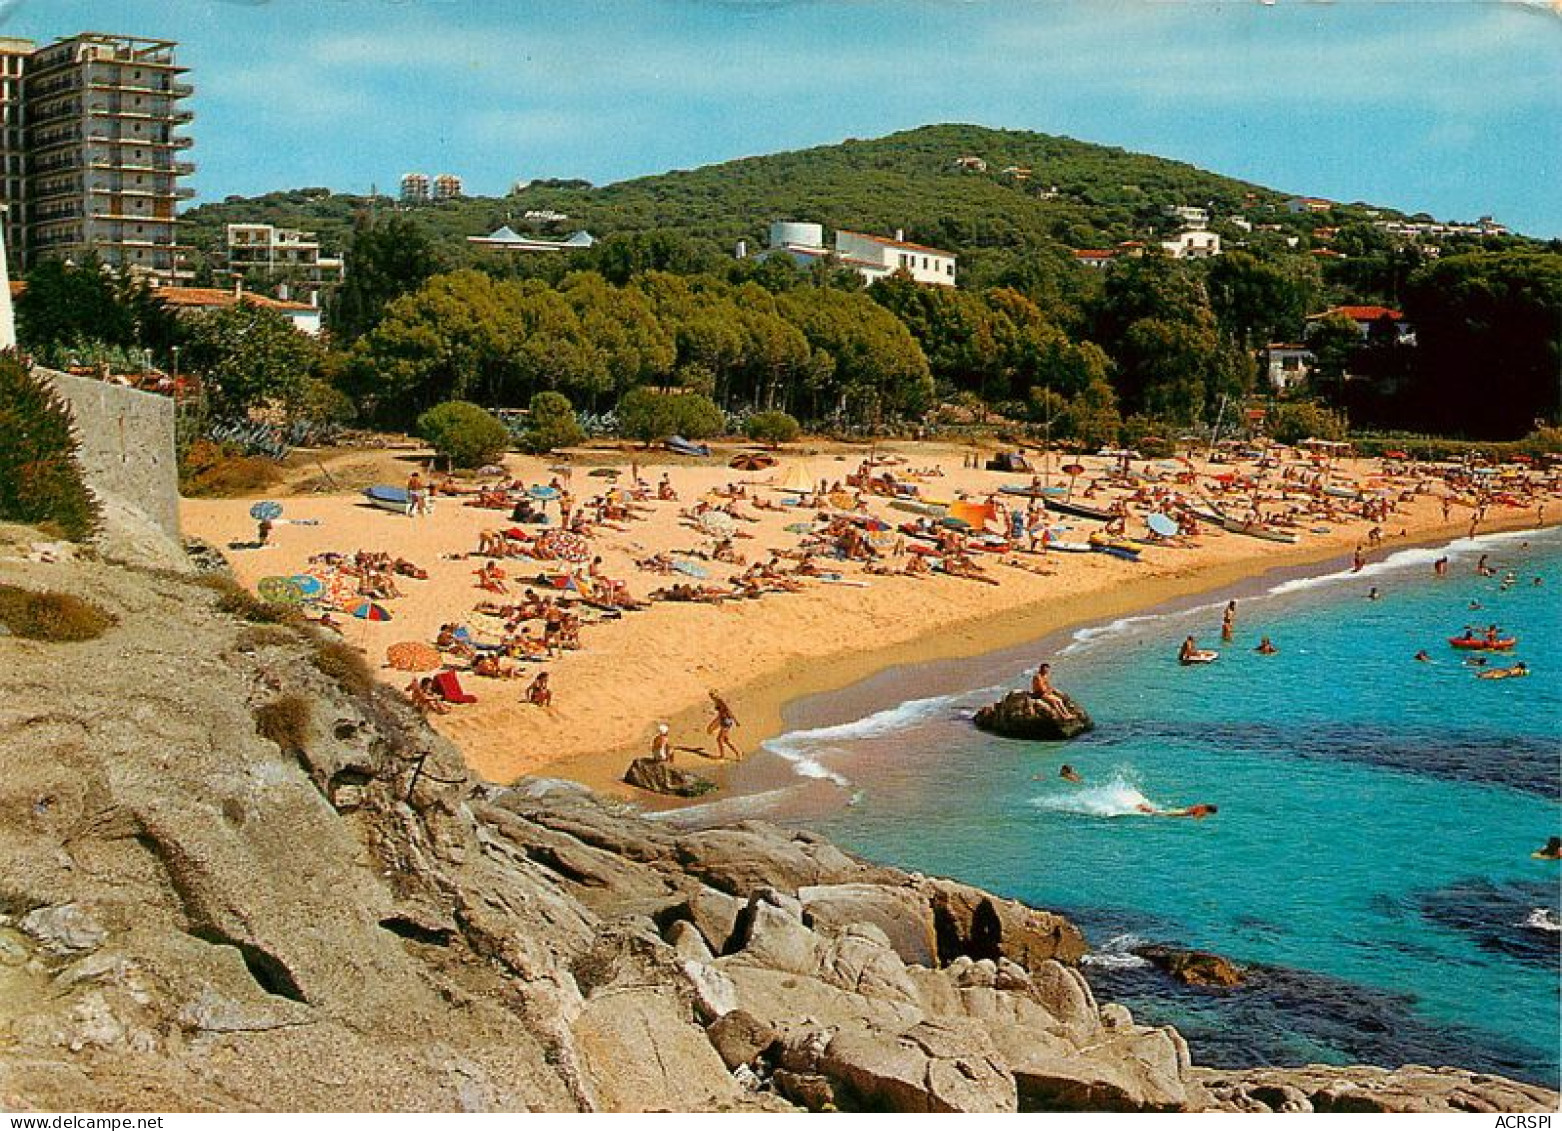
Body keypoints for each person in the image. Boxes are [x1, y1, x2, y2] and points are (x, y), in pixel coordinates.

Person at [707, 690, 741, 760]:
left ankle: (722, 756)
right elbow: (720, 714)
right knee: (725, 740)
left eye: (712, 695)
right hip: (723, 720)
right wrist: (713, 725)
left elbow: (728, 711)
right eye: (711, 695)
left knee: (719, 739)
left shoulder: (720, 701)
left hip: (726, 721)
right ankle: (738, 753)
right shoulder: (716, 701)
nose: (711, 697)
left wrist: (736, 721)